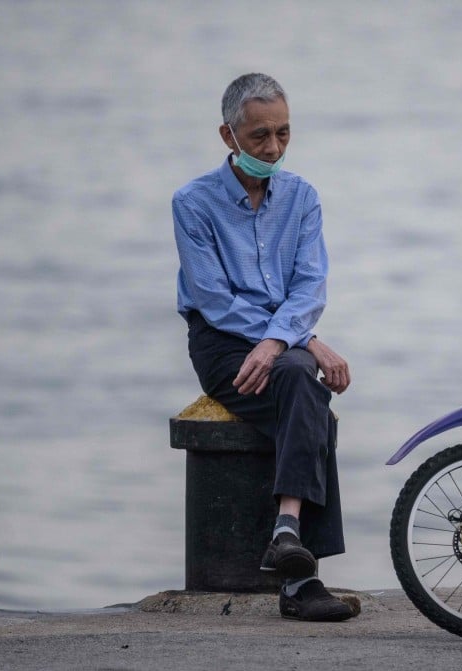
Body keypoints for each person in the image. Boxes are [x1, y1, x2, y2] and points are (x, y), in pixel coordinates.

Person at [173, 73, 353, 622]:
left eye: (283, 133)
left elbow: (309, 284)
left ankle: (287, 535)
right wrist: (299, 340)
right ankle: (301, 582)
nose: (273, 148)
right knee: (307, 388)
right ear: (228, 136)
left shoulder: (302, 197)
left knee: (302, 384)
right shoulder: (193, 203)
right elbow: (213, 297)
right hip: (222, 344)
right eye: (258, 137)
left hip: (283, 341)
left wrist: (280, 339)